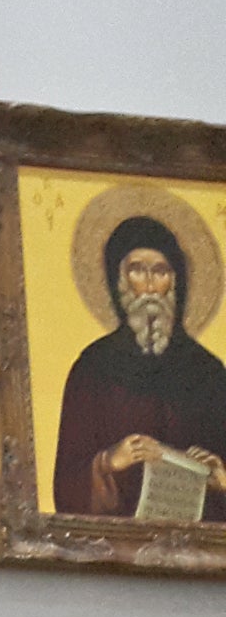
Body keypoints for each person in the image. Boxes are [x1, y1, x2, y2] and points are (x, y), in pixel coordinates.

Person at [51, 215, 226, 520]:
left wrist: (220, 479)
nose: (148, 285)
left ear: (175, 282)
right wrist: (107, 463)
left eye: (160, 271)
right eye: (136, 270)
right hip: (115, 550)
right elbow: (65, 487)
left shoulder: (208, 373)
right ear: (118, 282)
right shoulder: (93, 368)